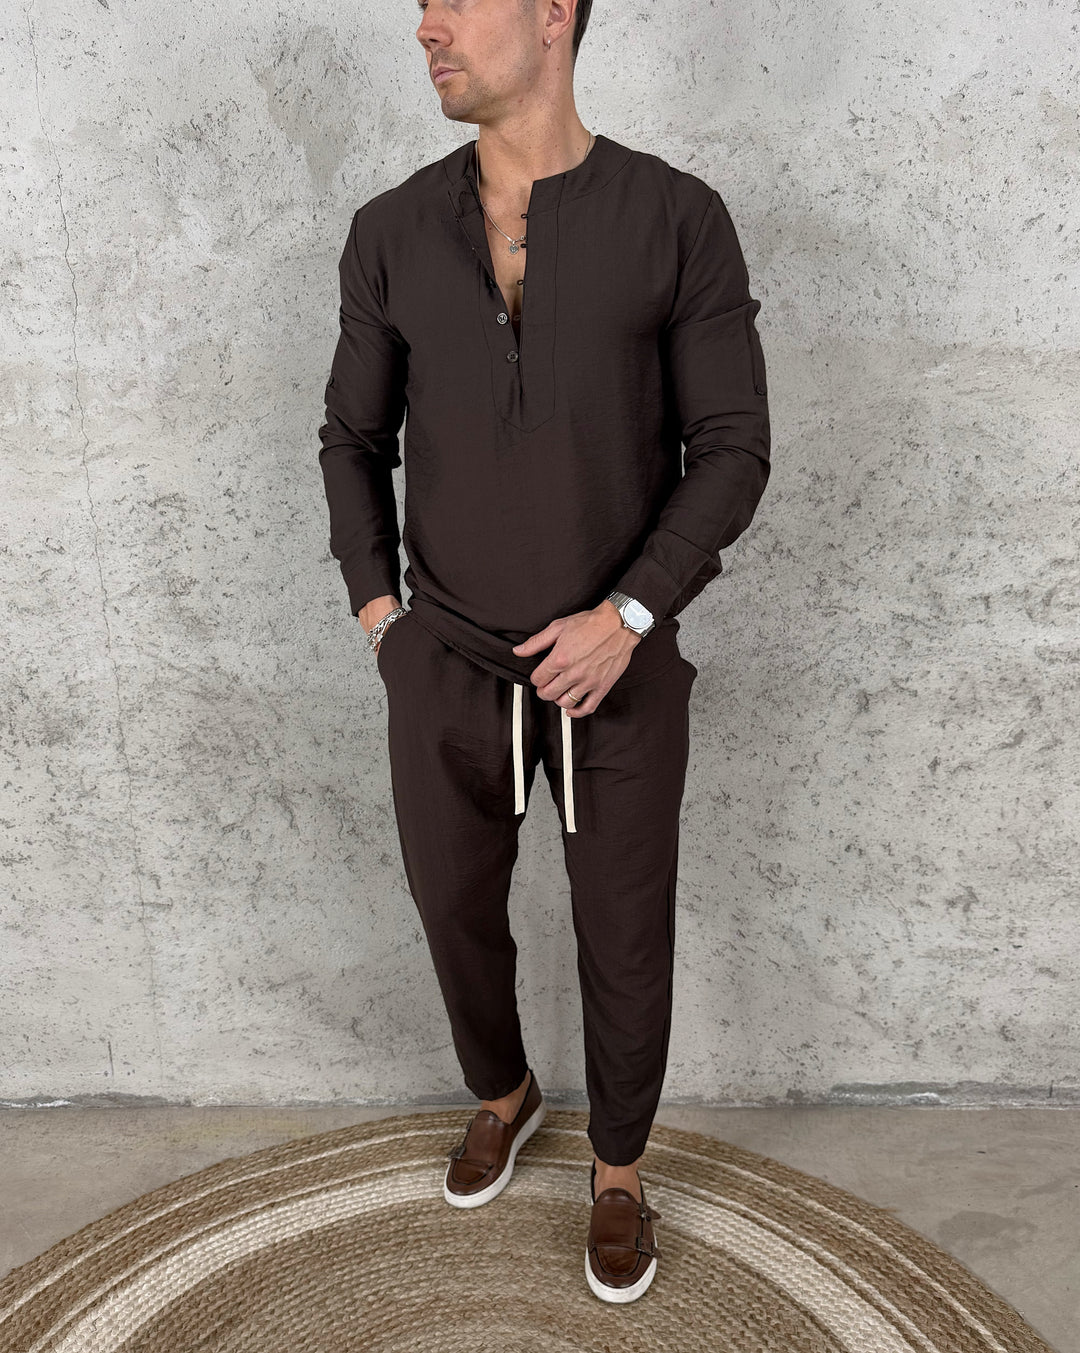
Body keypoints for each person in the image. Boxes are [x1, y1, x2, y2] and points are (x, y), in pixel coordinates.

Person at [317, 0, 771, 1303]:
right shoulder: (390, 231)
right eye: (422, 6)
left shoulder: (676, 218)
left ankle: (619, 1170)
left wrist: (629, 615)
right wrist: (383, 620)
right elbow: (352, 439)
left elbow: (732, 446)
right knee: (453, 907)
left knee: (624, 929)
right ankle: (505, 1091)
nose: (427, 26)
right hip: (445, 653)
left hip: (616, 662)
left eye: (458, 0)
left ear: (556, 14)